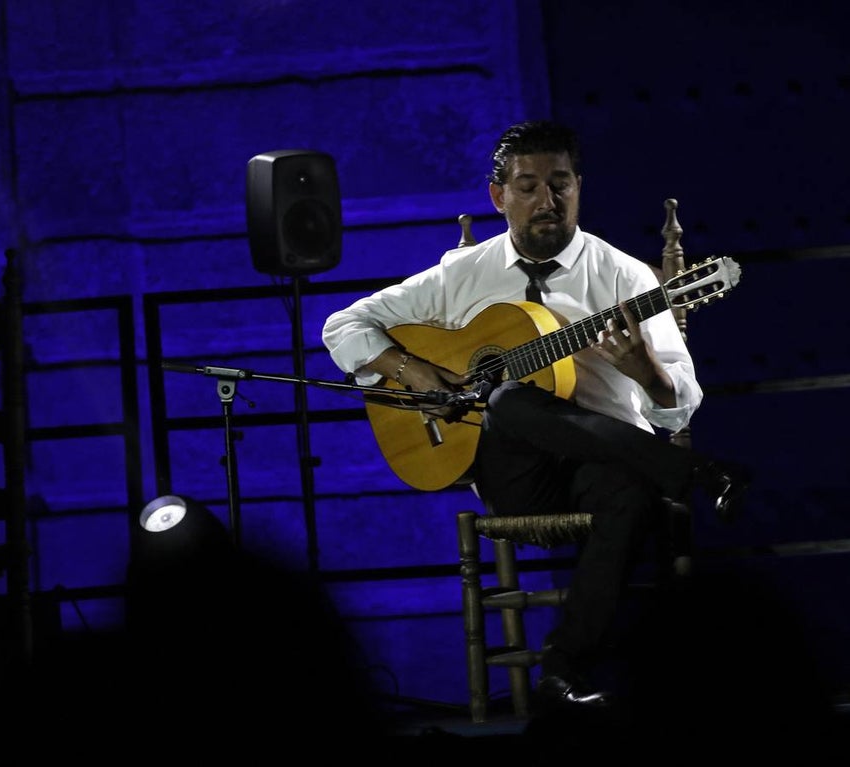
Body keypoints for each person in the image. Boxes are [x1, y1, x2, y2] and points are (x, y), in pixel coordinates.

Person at [321, 119, 748, 711]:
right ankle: (696, 473)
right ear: (499, 196)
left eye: (561, 184)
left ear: (579, 188)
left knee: (629, 494)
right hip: (513, 474)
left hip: (603, 466)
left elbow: (679, 407)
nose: (546, 201)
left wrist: (646, 370)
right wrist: (413, 371)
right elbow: (341, 325)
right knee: (509, 399)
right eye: (528, 187)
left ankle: (561, 672)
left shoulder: (622, 276)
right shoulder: (460, 275)